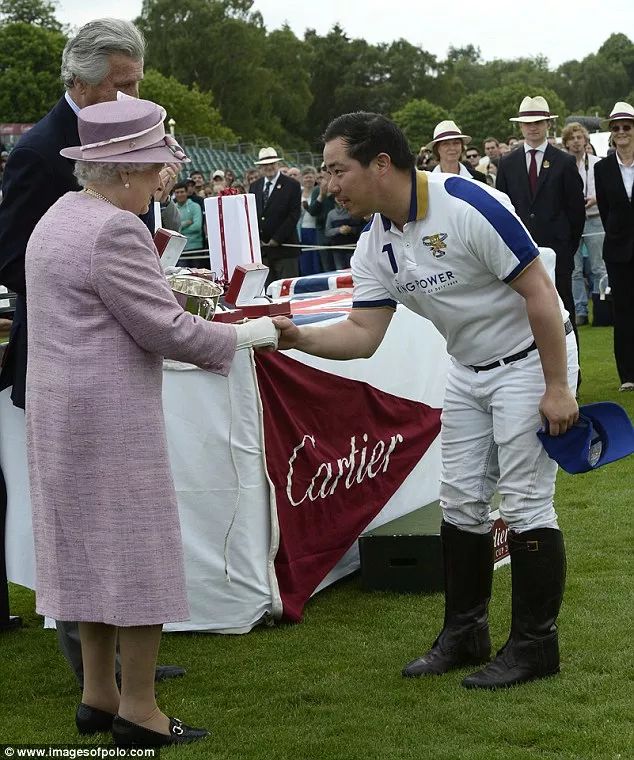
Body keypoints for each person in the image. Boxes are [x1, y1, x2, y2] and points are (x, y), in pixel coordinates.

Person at [272, 112, 578, 690]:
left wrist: (557, 387)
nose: (329, 183)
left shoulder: (467, 204)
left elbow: (540, 291)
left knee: (525, 501)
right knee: (459, 498)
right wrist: (300, 338)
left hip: (531, 359)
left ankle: (536, 646)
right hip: (466, 368)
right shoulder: (374, 242)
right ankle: (465, 633)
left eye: (338, 169)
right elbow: (363, 334)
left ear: (381, 164)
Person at [25, 96, 278, 746]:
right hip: (109, 423)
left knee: (87, 554)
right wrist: (253, 334)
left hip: (61, 418)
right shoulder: (114, 229)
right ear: (128, 168)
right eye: (159, 163)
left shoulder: (60, 215)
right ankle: (139, 709)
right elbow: (164, 328)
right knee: (138, 558)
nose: (166, 175)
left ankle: (97, 695)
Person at [0, 17, 182, 682]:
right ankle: (94, 672)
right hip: (66, 355)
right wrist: (99, 285)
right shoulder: (40, 150)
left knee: (116, 519)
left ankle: (124, 669)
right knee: (83, 519)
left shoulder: (130, 134)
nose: (130, 96)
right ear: (78, 81)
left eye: (136, 83)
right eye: (119, 84)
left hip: (118, 340)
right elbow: (15, 257)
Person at [496, 95, 585, 347]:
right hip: (521, 254)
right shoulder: (507, 163)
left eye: (538, 122)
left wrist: (567, 248)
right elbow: (504, 210)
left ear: (548, 124)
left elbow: (576, 212)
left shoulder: (564, 162)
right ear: (520, 126)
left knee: (564, 311)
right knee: (522, 318)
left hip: (558, 252)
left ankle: (572, 376)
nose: (533, 127)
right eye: (528, 123)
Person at [594, 102, 634, 392]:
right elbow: (607, 211)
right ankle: (628, 375)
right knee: (623, 312)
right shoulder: (602, 168)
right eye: (616, 127)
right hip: (619, 251)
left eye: (627, 127)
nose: (621, 132)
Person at [561, 122, 606, 327]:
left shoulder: (597, 163)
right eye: (572, 138)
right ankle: (580, 310)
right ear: (566, 142)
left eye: (579, 137)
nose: (576, 142)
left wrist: (595, 198)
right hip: (571, 221)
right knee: (575, 269)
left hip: (595, 218)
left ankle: (601, 307)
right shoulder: (563, 165)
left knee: (598, 266)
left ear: (586, 140)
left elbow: (606, 190)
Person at [249, 147, 301, 287]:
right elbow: (252, 214)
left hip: (285, 250)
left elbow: (294, 215)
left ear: (277, 164)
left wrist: (276, 239)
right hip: (263, 252)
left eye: (272, 163)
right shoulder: (254, 186)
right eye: (265, 165)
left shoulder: (292, 185)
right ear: (260, 167)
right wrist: (257, 238)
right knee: (267, 294)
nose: (269, 167)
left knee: (287, 291)